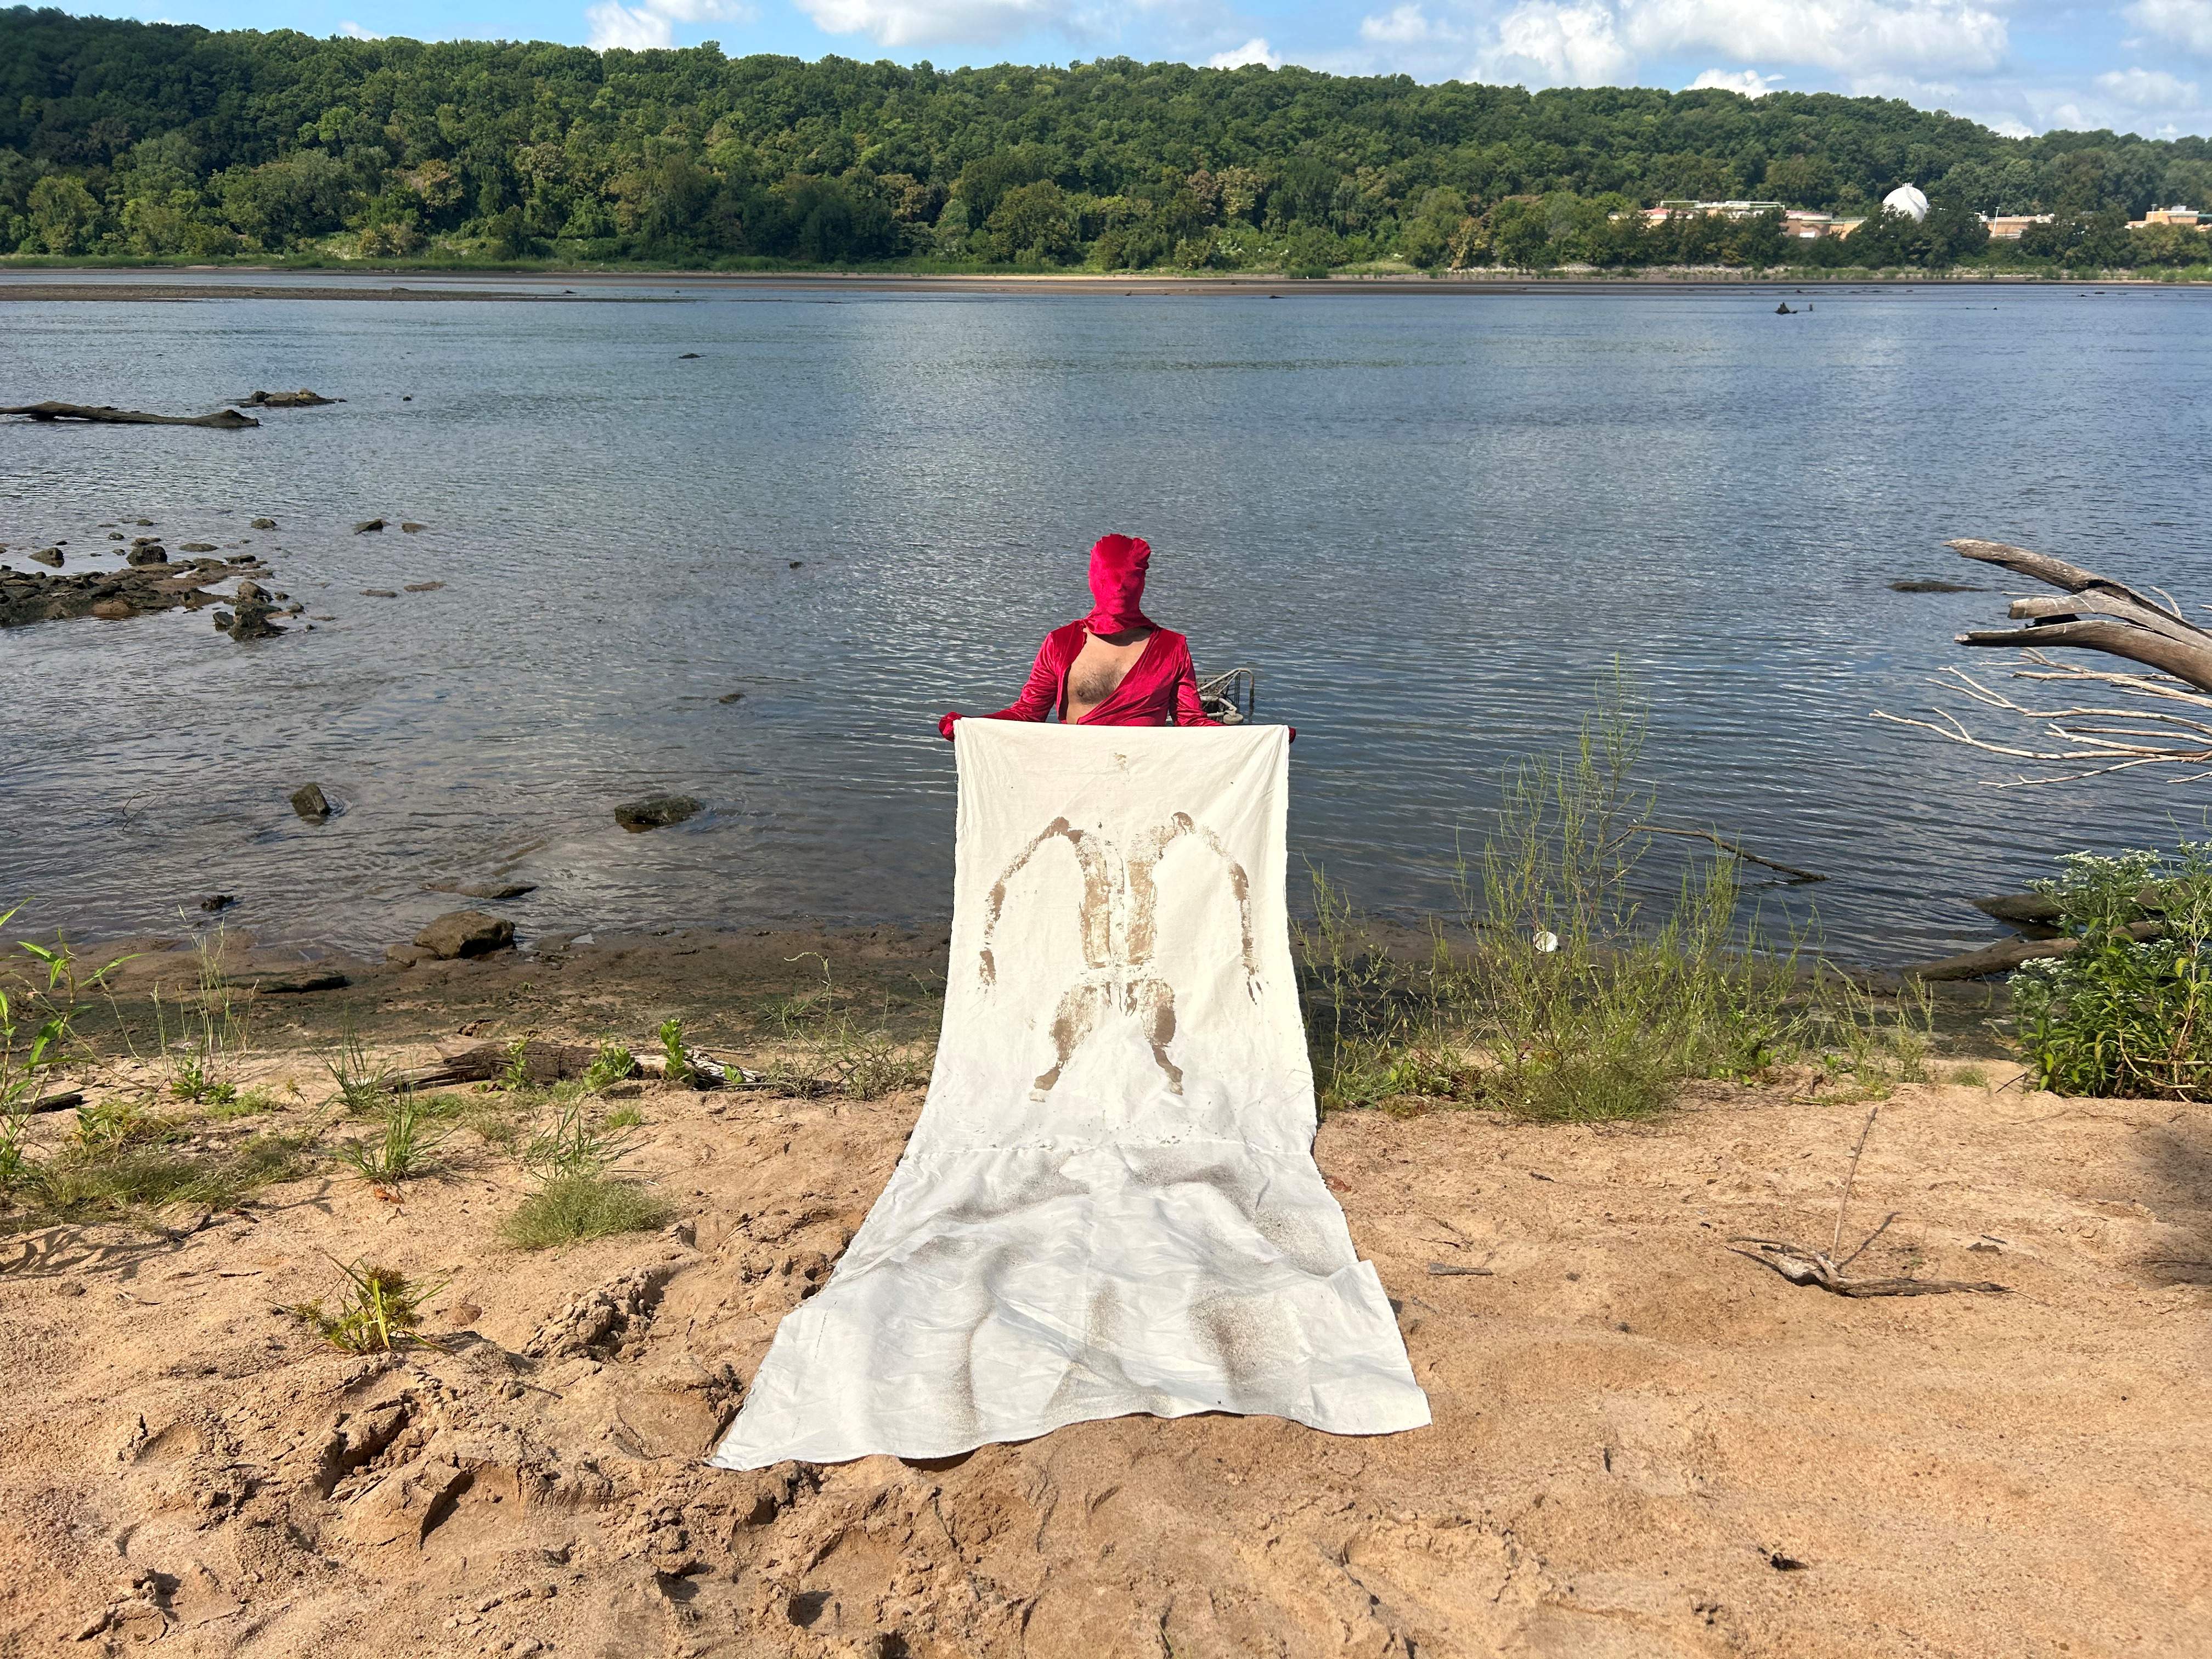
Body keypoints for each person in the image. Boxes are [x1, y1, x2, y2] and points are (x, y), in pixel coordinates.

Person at [938, 534, 1217, 737]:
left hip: (1142, 777)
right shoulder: (1061, 643)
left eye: (1128, 580)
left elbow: (1191, 721)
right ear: (1093, 578)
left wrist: (1245, 740)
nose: (1119, 589)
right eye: (1110, 579)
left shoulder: (1171, 648)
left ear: (1141, 582)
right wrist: (971, 725)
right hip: (1075, 777)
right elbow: (1028, 713)